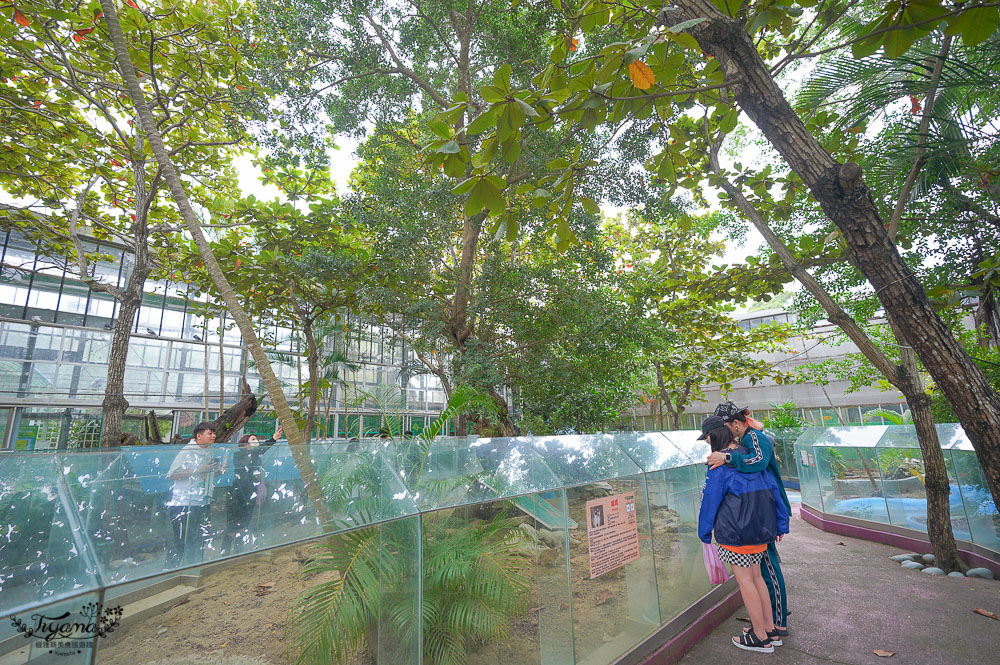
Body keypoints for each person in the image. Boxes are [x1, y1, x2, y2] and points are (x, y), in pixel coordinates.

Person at [698, 415, 789, 653]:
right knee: (757, 578)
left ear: (714, 436)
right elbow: (774, 491)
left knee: (745, 581)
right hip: (760, 532)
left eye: (707, 438)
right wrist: (780, 524)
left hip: (736, 534)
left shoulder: (719, 464)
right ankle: (770, 630)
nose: (708, 443)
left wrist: (704, 533)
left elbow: (710, 501)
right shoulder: (748, 456)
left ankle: (760, 638)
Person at [165, 422, 224, 567]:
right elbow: (173, 475)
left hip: (202, 502)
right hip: (184, 504)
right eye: (209, 433)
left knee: (199, 537)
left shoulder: (209, 450)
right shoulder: (187, 452)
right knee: (181, 539)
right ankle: (171, 571)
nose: (214, 436)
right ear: (199, 436)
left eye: (214, 433)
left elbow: (203, 475)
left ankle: (194, 567)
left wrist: (217, 471)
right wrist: (199, 469)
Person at [222, 425, 281, 553]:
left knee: (244, 525)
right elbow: (255, 453)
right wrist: (272, 439)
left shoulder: (256, 456)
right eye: (253, 440)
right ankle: (225, 552)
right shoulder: (238, 455)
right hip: (237, 495)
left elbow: (259, 452)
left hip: (250, 494)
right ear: (244, 444)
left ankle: (238, 551)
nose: (256, 442)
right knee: (232, 527)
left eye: (256, 440)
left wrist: (274, 439)